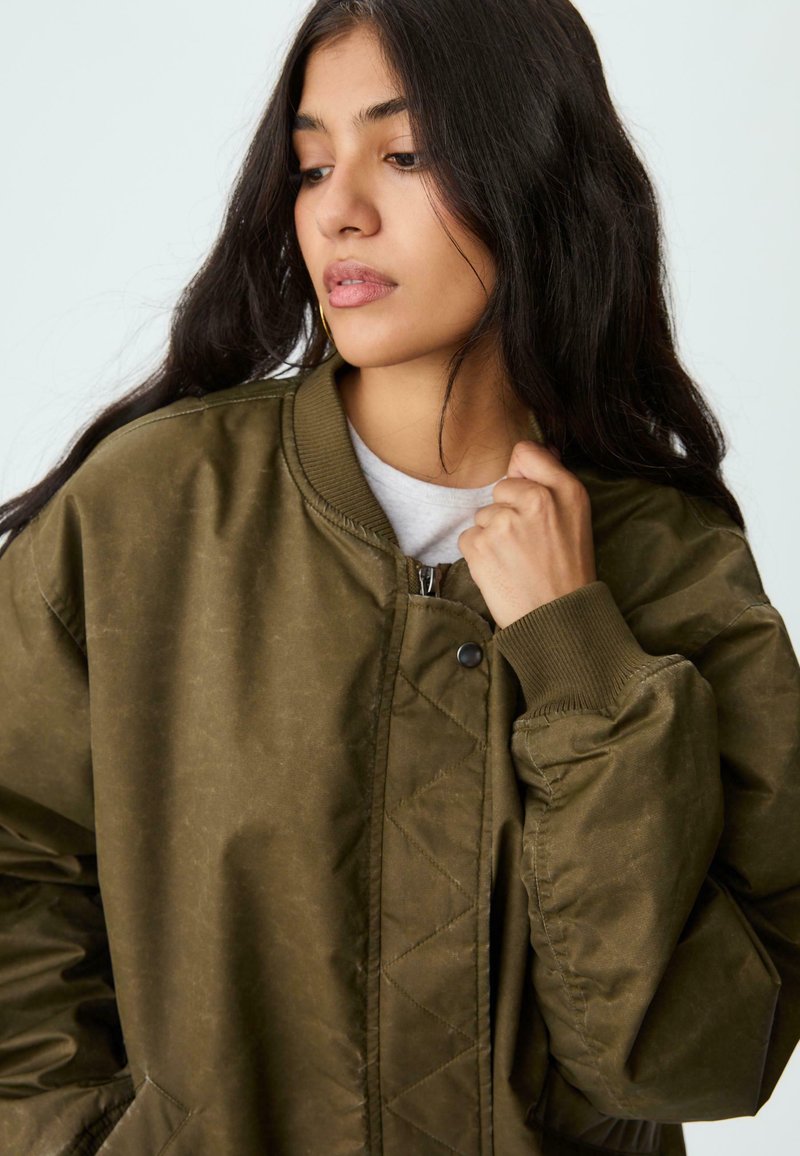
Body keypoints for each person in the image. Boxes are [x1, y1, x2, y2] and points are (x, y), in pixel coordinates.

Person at [0, 1, 798, 1153]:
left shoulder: (668, 566)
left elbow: (704, 1054)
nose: (340, 209)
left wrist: (578, 664)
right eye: (311, 164)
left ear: (531, 167)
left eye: (405, 153)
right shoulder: (148, 515)